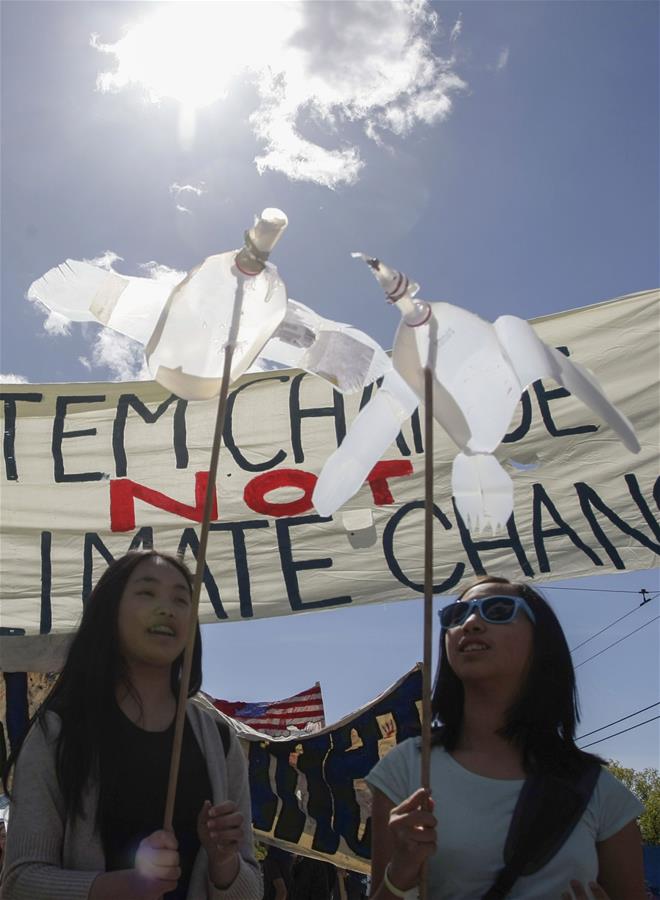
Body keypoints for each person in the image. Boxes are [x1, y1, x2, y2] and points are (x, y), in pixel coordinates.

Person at [1, 549, 262, 899]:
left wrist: (224, 860)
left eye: (182, 599)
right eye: (147, 592)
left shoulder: (220, 740)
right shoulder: (58, 731)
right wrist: (121, 887)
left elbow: (251, 890)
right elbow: (20, 883)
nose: (167, 609)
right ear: (110, 612)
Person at [366, 575, 646, 900]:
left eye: (498, 610)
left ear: (541, 641)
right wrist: (398, 875)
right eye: (457, 614)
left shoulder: (597, 790)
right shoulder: (407, 770)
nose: (470, 623)